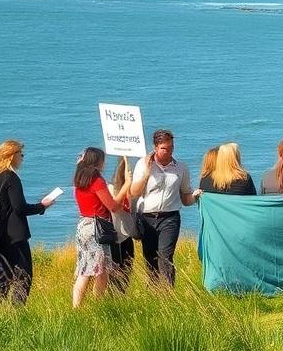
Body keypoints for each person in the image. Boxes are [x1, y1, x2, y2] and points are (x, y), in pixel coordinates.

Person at [0, 139, 55, 304]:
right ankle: (16, 312)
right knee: (24, 276)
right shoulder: (11, 177)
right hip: (14, 236)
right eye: (21, 154)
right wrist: (42, 206)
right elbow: (20, 207)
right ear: (11, 156)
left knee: (0, 277)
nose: (22, 157)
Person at [130, 129, 196, 287]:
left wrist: (196, 196)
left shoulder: (181, 168)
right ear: (155, 147)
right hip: (146, 217)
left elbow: (185, 197)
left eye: (172, 147)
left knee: (165, 257)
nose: (169, 151)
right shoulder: (143, 164)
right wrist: (146, 173)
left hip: (170, 217)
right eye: (165, 148)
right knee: (150, 258)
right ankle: (153, 294)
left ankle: (168, 294)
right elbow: (134, 192)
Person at [72, 146, 129, 307]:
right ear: (98, 161)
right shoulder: (96, 180)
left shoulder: (79, 178)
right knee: (100, 270)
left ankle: (76, 307)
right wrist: (126, 186)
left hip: (83, 224)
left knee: (84, 269)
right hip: (97, 227)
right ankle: (98, 304)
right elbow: (112, 206)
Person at [106, 157, 136, 293]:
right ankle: (114, 296)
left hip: (126, 235)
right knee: (116, 271)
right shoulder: (109, 189)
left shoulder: (131, 191)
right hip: (115, 236)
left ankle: (121, 295)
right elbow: (114, 206)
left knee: (126, 270)